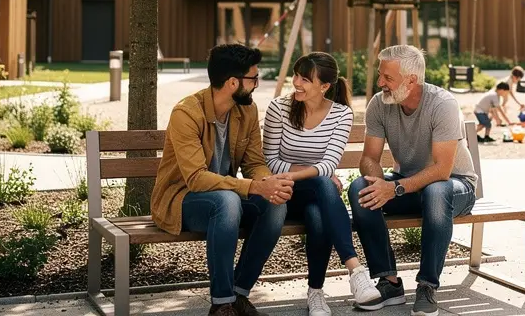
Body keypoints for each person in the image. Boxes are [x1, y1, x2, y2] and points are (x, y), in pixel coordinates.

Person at [151, 43, 295, 316]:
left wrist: (269, 185)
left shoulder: (247, 111)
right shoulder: (186, 113)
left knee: (275, 204)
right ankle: (221, 304)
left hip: (225, 198)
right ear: (232, 82)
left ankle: (238, 294)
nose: (256, 84)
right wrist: (253, 186)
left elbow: (254, 163)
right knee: (227, 201)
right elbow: (195, 179)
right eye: (253, 78)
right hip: (182, 199)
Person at [348, 45, 478, 316]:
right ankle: (390, 282)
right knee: (360, 188)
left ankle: (427, 286)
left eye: (387, 78)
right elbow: (369, 157)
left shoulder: (442, 104)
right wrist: (377, 181)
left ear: (411, 80)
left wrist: (393, 188)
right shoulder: (379, 104)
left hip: (455, 186)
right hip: (408, 185)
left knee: (436, 191)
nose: (380, 83)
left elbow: (443, 170)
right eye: (380, 75)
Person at [261, 52, 381, 316]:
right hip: (281, 193)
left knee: (318, 214)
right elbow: (269, 160)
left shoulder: (341, 114)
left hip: (316, 197)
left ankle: (316, 294)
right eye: (296, 76)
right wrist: (309, 173)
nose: (297, 83)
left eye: (305, 79)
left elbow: (329, 165)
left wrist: (313, 174)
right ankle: (355, 271)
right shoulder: (278, 108)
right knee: (324, 185)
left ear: (325, 86)